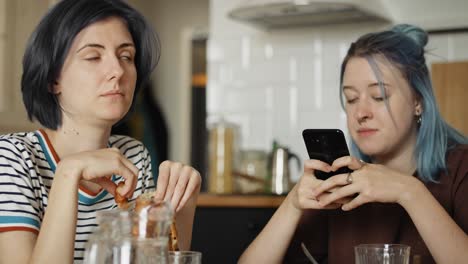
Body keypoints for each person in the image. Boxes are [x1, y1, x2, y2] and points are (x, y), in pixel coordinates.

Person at [239, 24, 468, 263]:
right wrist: (293, 205)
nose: (361, 113)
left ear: (417, 102)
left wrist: (409, 192)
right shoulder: (339, 187)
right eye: (351, 99)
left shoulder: (461, 169)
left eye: (379, 96)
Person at [0, 0, 201, 263]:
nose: (118, 71)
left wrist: (181, 206)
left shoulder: (134, 154)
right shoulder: (12, 157)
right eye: (93, 56)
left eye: (126, 56)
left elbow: (151, 259)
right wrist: (69, 173)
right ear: (53, 79)